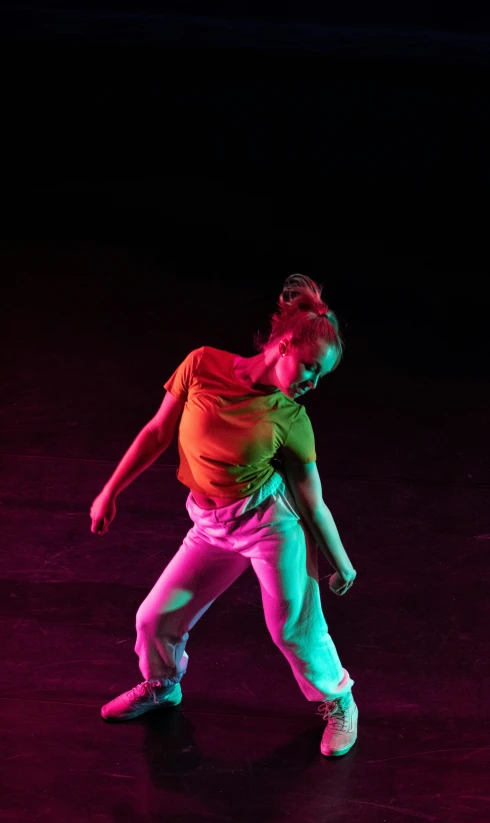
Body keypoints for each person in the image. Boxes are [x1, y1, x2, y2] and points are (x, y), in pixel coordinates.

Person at [90, 274, 358, 757]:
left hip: (268, 526)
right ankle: (163, 686)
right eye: (310, 368)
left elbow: (312, 502)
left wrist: (341, 561)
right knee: (153, 618)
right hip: (210, 525)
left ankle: (340, 700)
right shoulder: (201, 364)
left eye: (321, 378)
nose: (312, 383)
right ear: (286, 343)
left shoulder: (291, 419)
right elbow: (156, 433)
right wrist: (110, 491)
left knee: (290, 626)